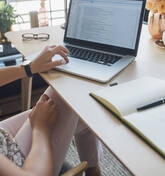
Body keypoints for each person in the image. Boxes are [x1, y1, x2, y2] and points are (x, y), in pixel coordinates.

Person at [0, 45, 102, 176]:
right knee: (68, 94)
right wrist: (41, 130)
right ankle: (93, 170)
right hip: (17, 163)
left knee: (77, 110)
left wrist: (30, 68)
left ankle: (93, 170)